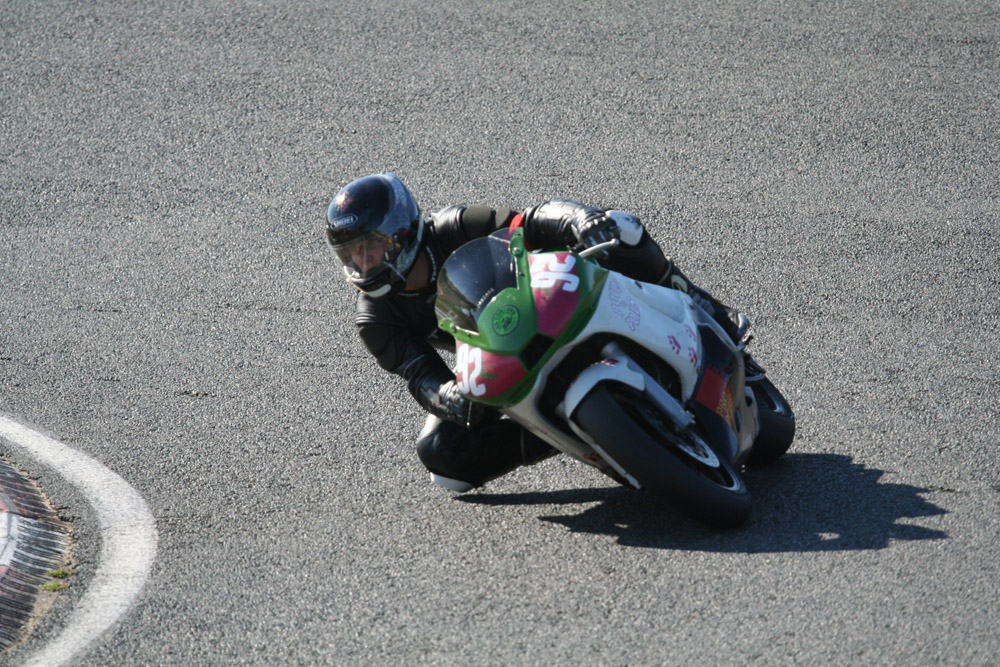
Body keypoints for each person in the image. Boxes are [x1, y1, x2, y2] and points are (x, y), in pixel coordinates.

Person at [325, 172, 758, 492]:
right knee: (441, 457)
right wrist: (446, 396)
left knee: (621, 228)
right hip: (489, 348)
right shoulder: (375, 318)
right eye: (351, 254)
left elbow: (531, 222)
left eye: (371, 246)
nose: (363, 263)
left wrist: (580, 219)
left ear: (401, 232)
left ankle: (702, 306)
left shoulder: (454, 226)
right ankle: (583, 436)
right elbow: (419, 373)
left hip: (545, 294)